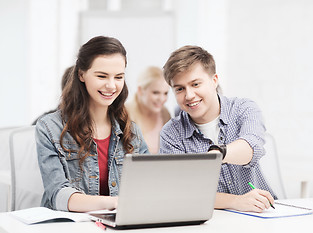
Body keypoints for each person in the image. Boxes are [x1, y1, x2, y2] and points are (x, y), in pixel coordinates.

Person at [35, 36, 149, 212]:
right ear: (81, 74)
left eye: (118, 77)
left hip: (119, 228)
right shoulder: (50, 128)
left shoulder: (131, 130)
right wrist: (113, 203)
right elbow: (57, 194)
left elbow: (147, 184)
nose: (111, 85)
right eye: (102, 76)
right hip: (68, 229)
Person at [160, 45, 277, 213]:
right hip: (210, 221)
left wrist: (216, 155)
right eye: (180, 88)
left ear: (214, 81)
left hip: (263, 212)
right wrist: (236, 201)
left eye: (195, 84)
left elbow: (252, 147)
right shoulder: (171, 134)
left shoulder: (243, 109)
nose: (189, 95)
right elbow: (182, 191)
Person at [126, 66, 170, 153]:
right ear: (140, 90)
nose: (161, 99)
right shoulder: (125, 113)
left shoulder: (165, 113)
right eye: (155, 93)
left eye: (165, 93)